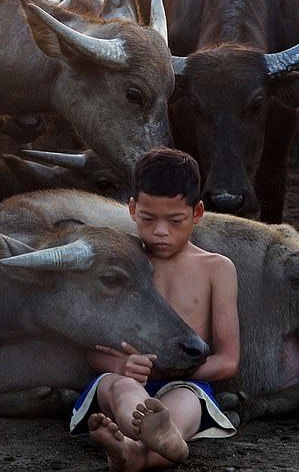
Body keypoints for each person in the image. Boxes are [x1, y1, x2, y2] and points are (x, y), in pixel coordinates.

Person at [68, 147, 240, 471]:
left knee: (183, 405)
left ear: (197, 213)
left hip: (187, 383)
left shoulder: (217, 268)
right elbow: (89, 350)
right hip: (126, 379)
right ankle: (148, 441)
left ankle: (134, 451)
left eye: (175, 220)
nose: (160, 231)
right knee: (120, 389)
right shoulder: (120, 263)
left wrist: (172, 371)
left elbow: (228, 360)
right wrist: (121, 365)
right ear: (132, 209)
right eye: (148, 219)